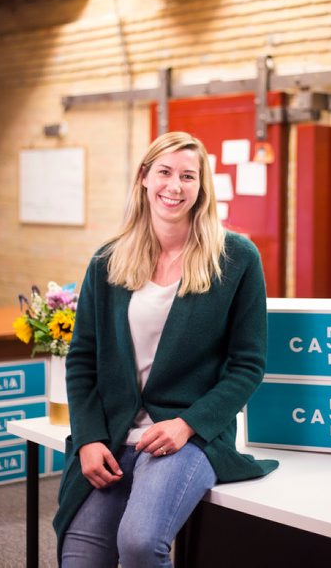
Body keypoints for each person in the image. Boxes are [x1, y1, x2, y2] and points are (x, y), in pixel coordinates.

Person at [54, 131, 278, 567]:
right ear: (144, 177)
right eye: (164, 172)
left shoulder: (235, 258)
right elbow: (82, 359)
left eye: (188, 176)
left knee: (139, 544)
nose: (174, 186)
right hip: (114, 434)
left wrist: (188, 424)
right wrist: (87, 438)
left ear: (201, 187)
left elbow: (248, 365)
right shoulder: (108, 261)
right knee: (80, 555)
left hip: (187, 437)